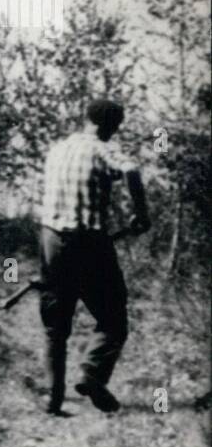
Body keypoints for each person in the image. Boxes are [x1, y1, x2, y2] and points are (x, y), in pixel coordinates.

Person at [38, 99, 149, 415]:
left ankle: (53, 398)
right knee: (114, 318)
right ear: (111, 126)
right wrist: (140, 214)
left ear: (86, 117)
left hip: (50, 241)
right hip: (89, 243)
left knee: (55, 325)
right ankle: (93, 372)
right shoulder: (102, 148)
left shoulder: (58, 150)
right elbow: (131, 170)